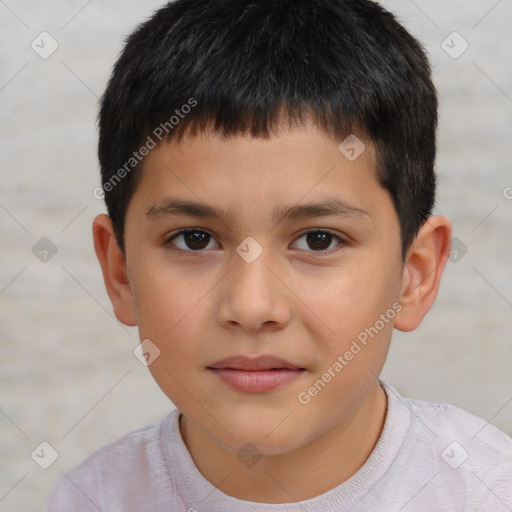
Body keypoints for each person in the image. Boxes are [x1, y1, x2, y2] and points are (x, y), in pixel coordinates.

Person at [45, 0, 512, 510]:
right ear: (121, 273)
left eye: (318, 240)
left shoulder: (488, 491)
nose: (252, 307)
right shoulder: (89, 500)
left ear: (414, 274)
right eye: (194, 239)